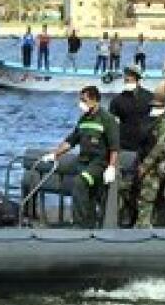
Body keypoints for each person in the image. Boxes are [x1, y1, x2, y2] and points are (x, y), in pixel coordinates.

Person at [41, 85, 120, 229]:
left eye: (84, 100)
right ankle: (88, 222)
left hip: (99, 163)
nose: (81, 103)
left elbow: (114, 147)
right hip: (84, 162)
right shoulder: (84, 119)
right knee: (85, 192)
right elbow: (71, 141)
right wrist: (55, 154)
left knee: (80, 182)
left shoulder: (107, 119)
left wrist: (111, 167)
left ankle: (80, 224)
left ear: (95, 100)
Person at [134, 84, 165, 229]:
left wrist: (144, 166)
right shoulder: (151, 121)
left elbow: (160, 147)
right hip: (146, 166)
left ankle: (145, 227)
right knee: (142, 200)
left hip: (155, 169)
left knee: (147, 201)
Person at [109, 65, 153, 153]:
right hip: (124, 145)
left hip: (144, 144)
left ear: (137, 78)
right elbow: (111, 124)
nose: (125, 78)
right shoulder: (117, 100)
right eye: (126, 76)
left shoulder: (149, 97)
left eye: (129, 76)